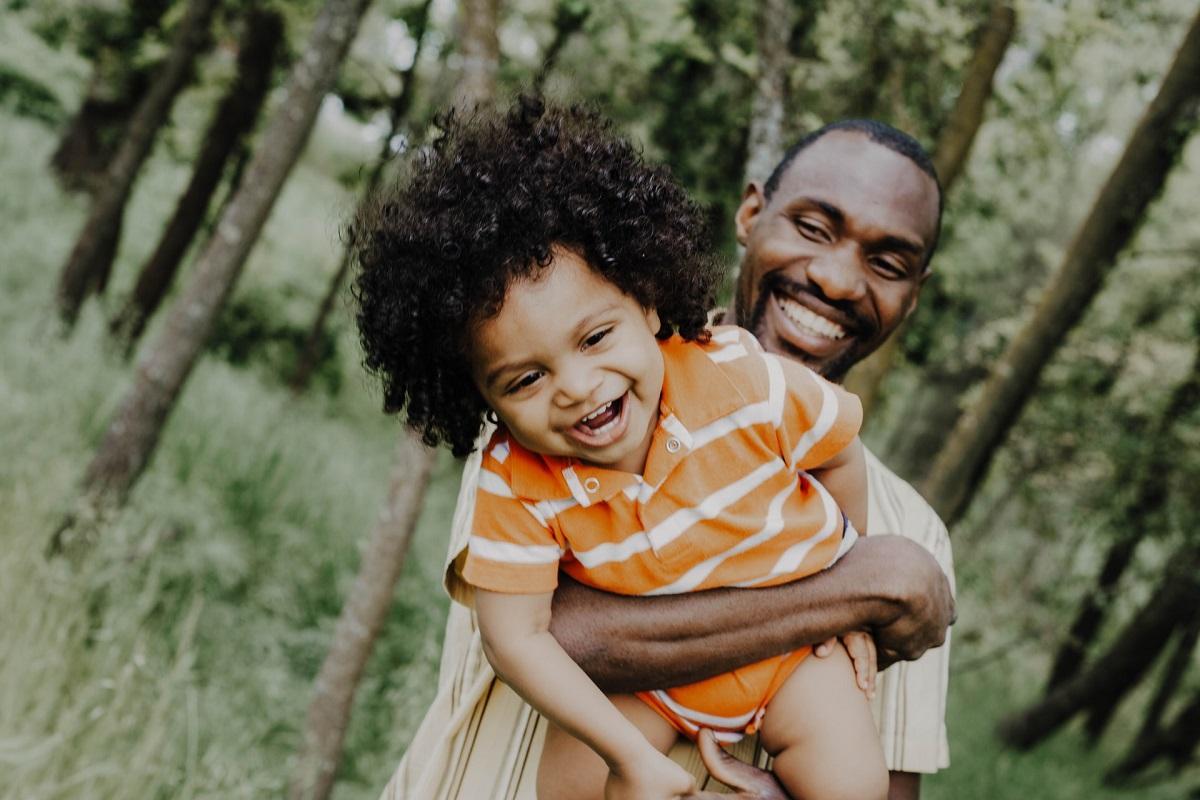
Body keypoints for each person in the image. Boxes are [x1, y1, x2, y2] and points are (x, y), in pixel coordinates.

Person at [375, 116, 955, 800]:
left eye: (887, 263)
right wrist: (853, 589)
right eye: (813, 227)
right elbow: (564, 635)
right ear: (751, 214)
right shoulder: (539, 420)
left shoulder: (914, 535)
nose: (835, 279)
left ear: (913, 295)